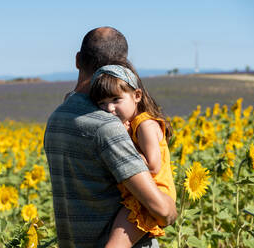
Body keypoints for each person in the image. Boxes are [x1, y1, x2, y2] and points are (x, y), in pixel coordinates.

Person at [44, 26, 177, 248]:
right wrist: (171, 210)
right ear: (121, 64)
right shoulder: (107, 125)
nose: (110, 107)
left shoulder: (57, 117)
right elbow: (162, 211)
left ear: (78, 60)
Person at [89, 64, 176, 247]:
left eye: (116, 99)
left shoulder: (145, 125)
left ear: (137, 96)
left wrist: (123, 142)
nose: (109, 108)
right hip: (140, 195)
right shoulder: (132, 123)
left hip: (150, 197)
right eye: (102, 103)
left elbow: (153, 166)